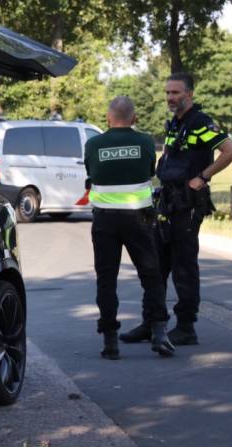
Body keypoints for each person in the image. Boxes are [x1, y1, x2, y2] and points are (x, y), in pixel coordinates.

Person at [120, 72, 232, 346]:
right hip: (167, 202)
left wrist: (203, 177)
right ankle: (152, 323)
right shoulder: (176, 124)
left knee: (184, 266)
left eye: (176, 93)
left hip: (187, 204)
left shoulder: (200, 122)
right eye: (167, 93)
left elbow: (231, 151)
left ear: (190, 94)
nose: (170, 98)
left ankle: (186, 327)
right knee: (155, 266)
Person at [83, 96, 173, 359]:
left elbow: (93, 172)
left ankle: (110, 342)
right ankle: (159, 333)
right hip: (139, 219)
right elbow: (148, 170)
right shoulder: (145, 141)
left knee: (106, 279)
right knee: (151, 276)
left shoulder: (94, 144)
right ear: (134, 118)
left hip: (105, 220)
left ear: (109, 118)